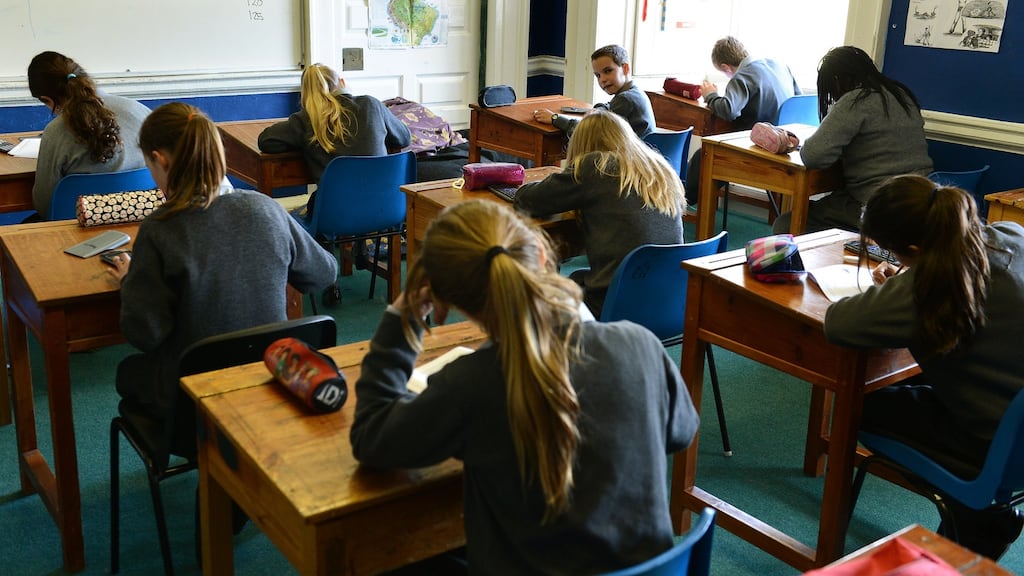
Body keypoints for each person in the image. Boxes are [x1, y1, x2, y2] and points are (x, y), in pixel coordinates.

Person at [349, 199, 699, 574]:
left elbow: (372, 436)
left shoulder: (471, 384)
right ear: (543, 258)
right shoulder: (637, 343)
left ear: (449, 301)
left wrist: (402, 318)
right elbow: (681, 433)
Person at [108, 102, 338, 450]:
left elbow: (145, 333)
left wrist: (130, 281)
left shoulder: (160, 229)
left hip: (195, 405)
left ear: (162, 160)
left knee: (127, 372)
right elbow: (323, 273)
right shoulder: (264, 208)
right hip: (270, 384)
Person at [824, 174, 1024, 560]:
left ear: (913, 249)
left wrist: (897, 287)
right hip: (1016, 420)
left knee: (863, 405)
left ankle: (975, 515)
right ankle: (975, 519)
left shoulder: (928, 287)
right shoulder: (1012, 235)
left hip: (997, 443)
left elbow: (839, 323)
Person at [513, 109, 685, 318]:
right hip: (671, 302)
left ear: (582, 146)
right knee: (579, 278)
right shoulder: (660, 167)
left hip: (616, 303)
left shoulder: (595, 166)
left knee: (549, 287)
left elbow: (528, 200)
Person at [773, 46, 933, 234]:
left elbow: (812, 156)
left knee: (785, 224)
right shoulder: (900, 94)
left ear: (836, 81)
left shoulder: (856, 100)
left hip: (881, 205)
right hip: (922, 199)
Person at [258, 62, 412, 214]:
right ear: (342, 82)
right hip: (385, 208)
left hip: (335, 214)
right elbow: (404, 138)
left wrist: (300, 142)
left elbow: (266, 141)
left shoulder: (307, 119)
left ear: (307, 93)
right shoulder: (371, 104)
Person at [28, 51, 151, 217]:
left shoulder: (56, 131)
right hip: (139, 218)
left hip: (76, 227)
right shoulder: (139, 111)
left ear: (47, 99)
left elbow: (44, 205)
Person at [685, 36, 801, 210]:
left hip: (763, 149)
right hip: (789, 144)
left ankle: (680, 203)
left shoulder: (743, 75)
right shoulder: (780, 66)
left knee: (703, 155)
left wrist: (710, 95)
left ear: (725, 67)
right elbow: (797, 100)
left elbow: (728, 110)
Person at [531, 44, 655, 140]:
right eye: (597, 75)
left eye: (608, 71)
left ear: (625, 68)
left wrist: (554, 118)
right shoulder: (634, 93)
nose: (603, 80)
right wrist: (599, 109)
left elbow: (587, 131)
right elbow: (608, 107)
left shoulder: (626, 99)